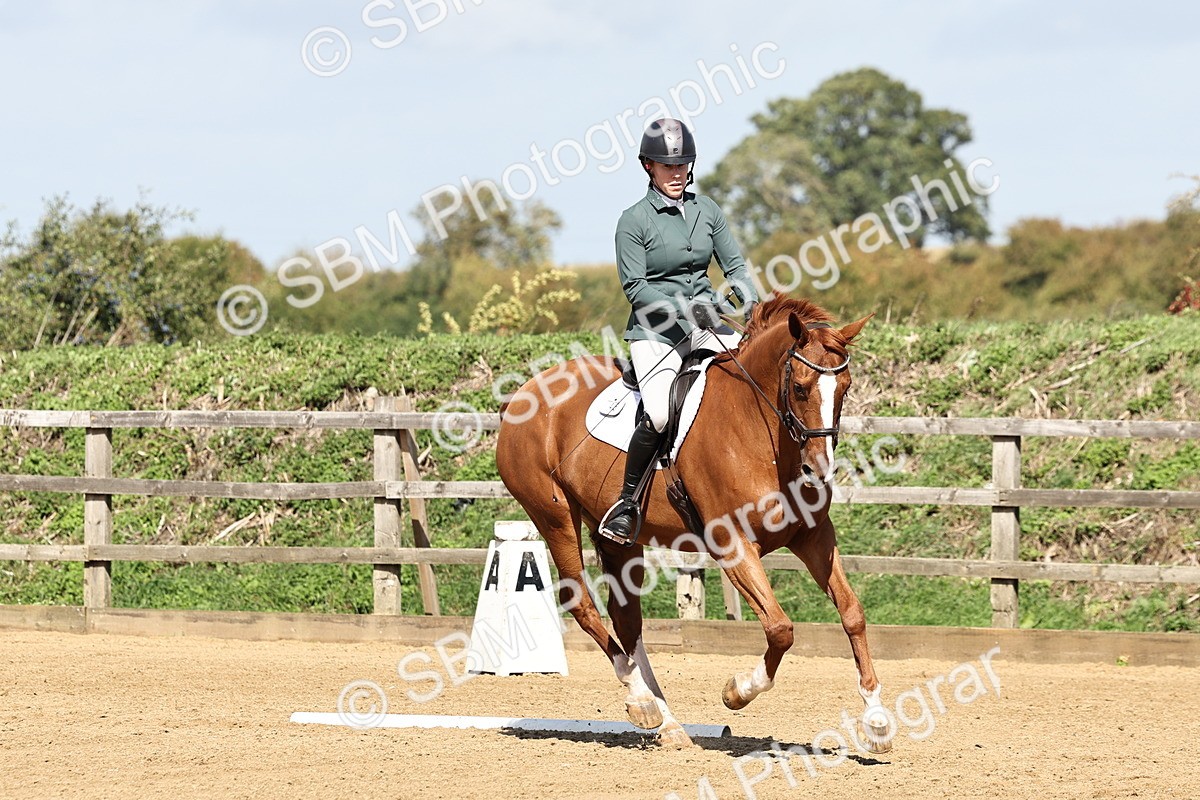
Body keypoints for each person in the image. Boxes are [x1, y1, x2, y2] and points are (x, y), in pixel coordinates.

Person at [598, 117, 759, 545]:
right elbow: (635, 288)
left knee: (752, 380)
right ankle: (628, 503)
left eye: (684, 165)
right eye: (668, 166)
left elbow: (736, 268)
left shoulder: (708, 210)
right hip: (657, 335)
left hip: (708, 324)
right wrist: (688, 311)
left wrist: (754, 308)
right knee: (661, 412)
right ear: (648, 167)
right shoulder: (632, 221)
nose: (678, 173)